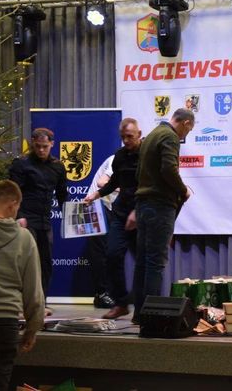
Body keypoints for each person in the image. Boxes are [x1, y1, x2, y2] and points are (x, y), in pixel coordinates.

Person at [132, 108, 194, 324]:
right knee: (155, 263)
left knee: (142, 262)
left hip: (143, 204)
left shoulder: (151, 135)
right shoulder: (170, 136)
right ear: (185, 123)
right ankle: (151, 318)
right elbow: (169, 169)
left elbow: (139, 172)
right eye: (188, 130)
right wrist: (183, 190)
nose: (185, 135)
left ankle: (139, 314)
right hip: (160, 205)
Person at [0, 180, 45, 390]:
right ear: (12, 204)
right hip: (3, 326)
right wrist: (32, 329)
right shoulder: (24, 238)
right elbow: (33, 290)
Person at [84, 118, 141, 319]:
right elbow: (112, 182)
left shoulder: (147, 156)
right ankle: (121, 303)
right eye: (123, 137)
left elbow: (151, 186)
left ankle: (142, 309)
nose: (126, 140)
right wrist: (95, 195)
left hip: (141, 215)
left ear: (139, 134)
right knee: (112, 255)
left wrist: (138, 212)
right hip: (120, 214)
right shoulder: (119, 156)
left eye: (130, 136)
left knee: (143, 262)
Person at [9, 128, 67, 313]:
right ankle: (22, 303)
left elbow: (62, 195)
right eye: (38, 146)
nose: (41, 150)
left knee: (45, 263)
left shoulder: (58, 167)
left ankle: (41, 302)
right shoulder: (21, 164)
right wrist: (19, 216)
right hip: (26, 218)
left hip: (45, 221)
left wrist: (73, 215)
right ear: (33, 143)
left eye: (45, 147)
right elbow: (13, 192)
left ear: (52, 144)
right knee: (27, 263)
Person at [85, 155, 117, 309]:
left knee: (111, 252)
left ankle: (108, 292)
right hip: (95, 207)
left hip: (109, 208)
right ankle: (101, 294)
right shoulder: (117, 159)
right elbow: (102, 183)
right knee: (100, 254)